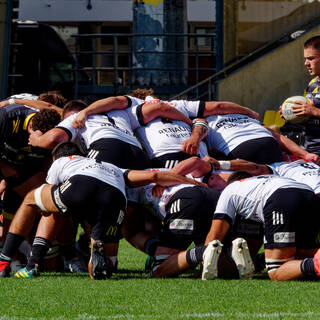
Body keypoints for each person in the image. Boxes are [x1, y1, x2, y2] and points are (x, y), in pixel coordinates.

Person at [0, 142, 205, 279]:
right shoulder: (113, 167)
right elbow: (155, 177)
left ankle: (11, 262)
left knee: (35, 201)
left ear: (58, 157)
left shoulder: (63, 161)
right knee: (109, 266)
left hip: (81, 185)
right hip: (115, 198)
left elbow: (48, 210)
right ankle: (96, 248)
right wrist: (191, 181)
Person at [280, 36, 320, 156]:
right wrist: (294, 117)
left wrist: (314, 111)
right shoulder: (312, 84)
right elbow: (312, 122)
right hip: (311, 151)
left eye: (311, 58)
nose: (306, 63)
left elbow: (314, 113)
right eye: (305, 59)